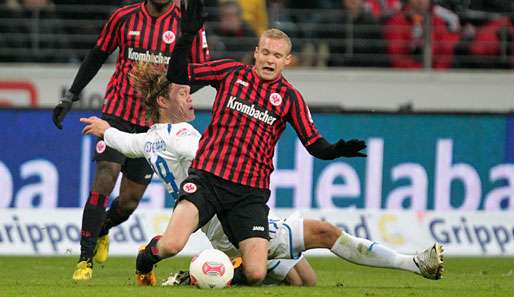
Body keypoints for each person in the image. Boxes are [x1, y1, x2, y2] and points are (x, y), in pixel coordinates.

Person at [80, 62, 444, 287]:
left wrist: (102, 128)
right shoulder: (185, 137)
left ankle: (211, 272)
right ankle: (413, 263)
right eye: (184, 94)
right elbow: (217, 159)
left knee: (304, 278)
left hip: (212, 221)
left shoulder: (150, 140)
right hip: (227, 216)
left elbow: (124, 142)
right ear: (163, 102)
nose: (191, 99)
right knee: (324, 232)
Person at [132, 0, 368, 287]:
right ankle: (145, 259)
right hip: (207, 179)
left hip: (249, 193)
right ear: (256, 53)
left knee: (256, 273)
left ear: (287, 61)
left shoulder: (290, 98)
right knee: (170, 245)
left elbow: (313, 143)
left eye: (277, 55)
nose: (270, 59)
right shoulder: (231, 73)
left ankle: (194, 280)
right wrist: (187, 35)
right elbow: (179, 75)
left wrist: (336, 151)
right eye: (265, 52)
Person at [51, 0, 209, 281]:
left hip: (153, 126)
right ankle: (84, 261)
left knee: (128, 203)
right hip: (117, 113)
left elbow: (202, 70)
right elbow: (97, 54)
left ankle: (102, 230)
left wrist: (167, 92)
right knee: (104, 177)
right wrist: (71, 95)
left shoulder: (186, 20)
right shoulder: (123, 17)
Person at [383, 0, 460, 69]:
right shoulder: (397, 22)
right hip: (405, 77)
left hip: (435, 76)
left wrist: (436, 73)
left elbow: (446, 52)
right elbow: (397, 56)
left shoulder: (438, 21)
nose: (420, 1)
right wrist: (419, 72)